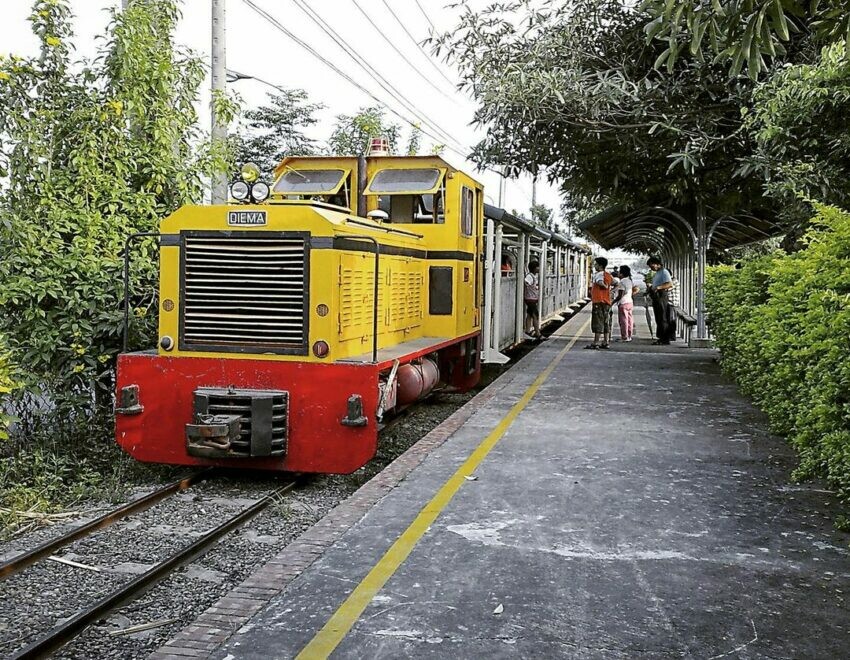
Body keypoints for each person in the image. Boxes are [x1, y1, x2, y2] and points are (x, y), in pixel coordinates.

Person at [646, 256, 675, 345]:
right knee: (658, 317)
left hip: (661, 296)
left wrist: (658, 287)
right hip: (656, 297)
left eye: (652, 266)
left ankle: (665, 339)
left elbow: (669, 284)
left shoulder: (664, 272)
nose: (651, 268)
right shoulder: (658, 273)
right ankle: (661, 337)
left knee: (662, 317)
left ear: (657, 264)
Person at [586, 256, 613, 349]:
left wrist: (604, 286)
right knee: (606, 322)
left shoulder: (598, 274)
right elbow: (616, 283)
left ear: (600, 266)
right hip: (606, 302)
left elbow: (600, 282)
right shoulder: (608, 275)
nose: (594, 266)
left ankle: (596, 343)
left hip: (598, 301)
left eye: (596, 264)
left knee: (598, 322)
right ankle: (606, 342)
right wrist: (610, 292)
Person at [612, 265, 637, 342]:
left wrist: (613, 302)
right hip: (630, 302)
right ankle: (629, 336)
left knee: (623, 321)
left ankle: (624, 337)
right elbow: (636, 289)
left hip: (623, 303)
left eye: (619, 272)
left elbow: (620, 295)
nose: (618, 273)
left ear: (622, 274)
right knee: (629, 319)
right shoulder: (629, 280)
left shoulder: (622, 282)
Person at [524, 260, 541, 340]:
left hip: (532, 298)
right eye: (538, 267)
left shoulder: (533, 276)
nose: (539, 268)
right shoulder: (530, 276)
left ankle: (527, 331)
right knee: (535, 315)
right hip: (530, 299)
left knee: (529, 315)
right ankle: (538, 333)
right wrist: (529, 288)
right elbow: (526, 282)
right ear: (534, 268)